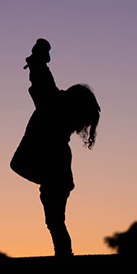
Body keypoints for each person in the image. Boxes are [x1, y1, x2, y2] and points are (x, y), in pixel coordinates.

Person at [11, 39, 100, 257]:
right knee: (55, 221)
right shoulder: (55, 105)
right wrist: (38, 60)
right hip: (53, 169)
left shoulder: (54, 107)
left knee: (55, 221)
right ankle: (63, 253)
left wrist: (38, 59)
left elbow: (43, 83)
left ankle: (63, 254)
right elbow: (43, 83)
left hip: (54, 169)